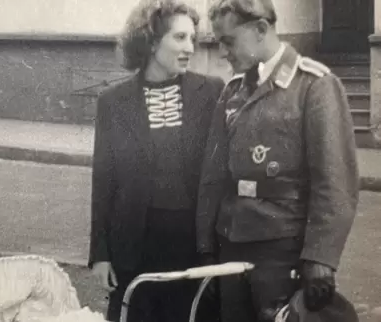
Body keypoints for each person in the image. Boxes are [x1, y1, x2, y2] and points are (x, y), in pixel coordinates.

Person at [196, 0, 360, 321]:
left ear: (260, 30)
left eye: (228, 41)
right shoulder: (232, 91)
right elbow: (212, 178)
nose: (223, 53)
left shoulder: (314, 86)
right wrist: (204, 246)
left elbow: (335, 182)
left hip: (283, 253)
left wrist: (321, 261)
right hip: (230, 246)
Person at [88, 0, 225, 321]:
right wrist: (101, 253)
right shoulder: (113, 103)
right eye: (179, 38)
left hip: (193, 244)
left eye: (192, 38)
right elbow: (104, 180)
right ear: (150, 41)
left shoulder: (211, 92)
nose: (190, 47)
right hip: (135, 245)